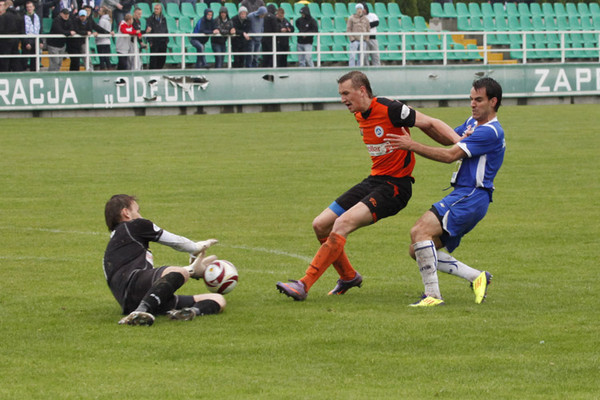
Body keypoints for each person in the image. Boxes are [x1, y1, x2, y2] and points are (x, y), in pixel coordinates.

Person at [276, 70, 461, 301]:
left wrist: (460, 142)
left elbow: (430, 122)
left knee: (341, 224)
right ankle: (348, 276)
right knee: (320, 225)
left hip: (395, 187)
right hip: (374, 180)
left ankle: (303, 284)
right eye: (340, 94)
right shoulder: (359, 113)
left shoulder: (390, 108)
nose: (342, 99)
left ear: (362, 90)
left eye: (346, 93)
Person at [386, 77, 505, 306]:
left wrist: (411, 145)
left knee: (419, 231)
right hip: (466, 196)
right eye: (471, 99)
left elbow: (450, 155)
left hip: (471, 196)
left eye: (478, 100)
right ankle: (477, 277)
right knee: (418, 249)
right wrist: (414, 119)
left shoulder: (490, 131)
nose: (472, 104)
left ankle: (433, 295)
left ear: (493, 102)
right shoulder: (473, 123)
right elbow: (446, 139)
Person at [103, 194, 226, 326]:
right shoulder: (134, 225)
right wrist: (196, 248)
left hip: (133, 300)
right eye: (137, 211)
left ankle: (189, 312)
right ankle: (140, 311)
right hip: (136, 288)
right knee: (179, 272)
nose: (140, 215)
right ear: (126, 213)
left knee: (218, 299)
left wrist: (193, 270)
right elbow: (176, 242)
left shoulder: (116, 245)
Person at [145, 2, 168, 69]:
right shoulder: (150, 19)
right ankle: (152, 72)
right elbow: (148, 30)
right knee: (153, 59)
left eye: (157, 9)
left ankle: (159, 71)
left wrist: (167, 40)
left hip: (163, 41)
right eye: (155, 9)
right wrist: (150, 41)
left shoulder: (163, 19)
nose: (155, 10)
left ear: (160, 10)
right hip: (154, 41)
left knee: (162, 58)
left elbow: (166, 29)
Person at [346, 3, 369, 67]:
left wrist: (366, 39)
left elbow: (368, 29)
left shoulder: (366, 19)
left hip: (363, 40)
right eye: (358, 9)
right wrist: (352, 39)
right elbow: (348, 29)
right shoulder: (351, 18)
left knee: (361, 56)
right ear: (356, 9)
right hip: (355, 40)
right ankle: (351, 68)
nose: (359, 10)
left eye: (360, 8)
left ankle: (360, 68)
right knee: (352, 56)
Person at [22, 0, 41, 71]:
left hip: (35, 40)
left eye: (30, 7)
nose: (29, 8)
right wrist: (26, 42)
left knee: (34, 61)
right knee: (24, 61)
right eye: (27, 7)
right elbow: (22, 31)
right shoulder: (23, 17)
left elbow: (40, 29)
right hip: (26, 41)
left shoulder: (37, 17)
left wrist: (40, 41)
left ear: (33, 7)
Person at [95, 6, 112, 70]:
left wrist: (97, 36)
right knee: (107, 58)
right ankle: (109, 69)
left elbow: (100, 30)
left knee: (102, 59)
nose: (98, 11)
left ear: (103, 12)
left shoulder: (102, 20)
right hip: (107, 41)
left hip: (101, 42)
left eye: (100, 10)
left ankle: (102, 70)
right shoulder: (109, 20)